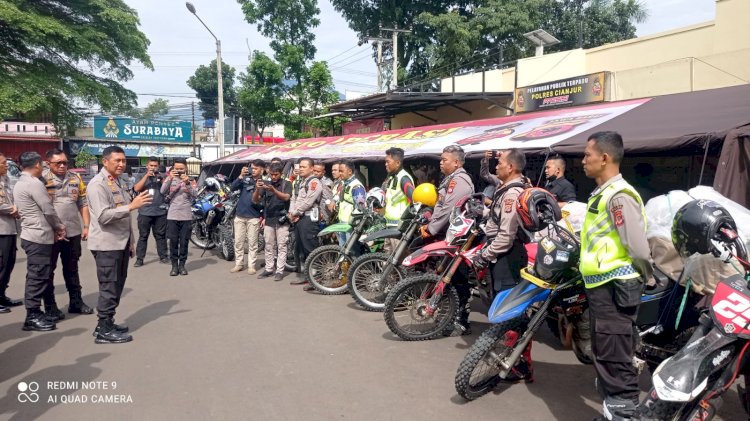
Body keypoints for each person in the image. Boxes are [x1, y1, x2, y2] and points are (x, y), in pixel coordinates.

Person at [580, 131, 653, 421]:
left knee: (614, 354)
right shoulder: (603, 192)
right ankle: (614, 412)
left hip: (615, 287)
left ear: (605, 158)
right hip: (602, 286)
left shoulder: (619, 195)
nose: (583, 160)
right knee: (605, 351)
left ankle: (625, 413)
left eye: (587, 155)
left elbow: (637, 247)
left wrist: (647, 276)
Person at [87, 145, 152, 343]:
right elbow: (104, 216)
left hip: (120, 244)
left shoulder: (119, 181)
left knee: (117, 285)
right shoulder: (98, 185)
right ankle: (103, 329)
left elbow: (124, 217)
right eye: (117, 161)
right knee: (109, 287)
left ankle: (107, 322)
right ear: (105, 161)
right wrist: (132, 206)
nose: (122, 164)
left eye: (124, 161)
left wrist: (130, 242)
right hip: (107, 245)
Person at [420, 145, 474, 335]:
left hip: (457, 238)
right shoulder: (450, 179)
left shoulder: (459, 181)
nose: (441, 163)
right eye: (441, 159)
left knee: (458, 279)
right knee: (447, 278)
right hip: (449, 235)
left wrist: (432, 228)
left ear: (457, 162)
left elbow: (448, 208)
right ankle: (447, 317)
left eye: (445, 160)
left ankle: (461, 321)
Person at [13, 151, 66, 332]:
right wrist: (59, 227)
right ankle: (32, 315)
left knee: (37, 275)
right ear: (37, 165)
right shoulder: (33, 183)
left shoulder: (21, 182)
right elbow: (48, 209)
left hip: (32, 234)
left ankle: (35, 312)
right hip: (38, 237)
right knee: (37, 277)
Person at [42, 148, 94, 318]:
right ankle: (50, 306)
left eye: (65, 162)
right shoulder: (41, 179)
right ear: (48, 163)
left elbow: (82, 201)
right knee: (48, 270)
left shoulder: (75, 177)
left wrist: (86, 225)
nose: (63, 166)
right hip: (50, 233)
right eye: (59, 163)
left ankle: (76, 302)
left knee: (72, 267)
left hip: (72, 232)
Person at [253, 162, 292, 281]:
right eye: (271, 174)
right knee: (269, 245)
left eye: (276, 174)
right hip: (269, 218)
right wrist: (257, 189)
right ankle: (269, 268)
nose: (273, 177)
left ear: (281, 173)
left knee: (282, 245)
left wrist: (273, 190)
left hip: (282, 219)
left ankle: (280, 270)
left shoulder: (287, 183)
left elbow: (286, 197)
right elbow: (255, 200)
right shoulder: (266, 183)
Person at [287, 157, 322, 286]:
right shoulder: (299, 182)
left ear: (312, 168)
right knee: (299, 249)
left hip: (308, 218)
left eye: (303, 167)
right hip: (298, 219)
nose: (300, 169)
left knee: (310, 248)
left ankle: (316, 278)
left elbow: (308, 202)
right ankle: (305, 276)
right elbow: (293, 198)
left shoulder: (314, 182)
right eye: (299, 167)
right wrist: (292, 212)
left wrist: (295, 212)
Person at [161, 158, 198, 276]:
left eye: (181, 168)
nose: (179, 171)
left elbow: (195, 194)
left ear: (186, 168)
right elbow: (162, 191)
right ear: (173, 168)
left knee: (184, 242)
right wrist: (169, 178)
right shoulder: (170, 178)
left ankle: (182, 265)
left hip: (186, 216)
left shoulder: (191, 180)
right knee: (173, 242)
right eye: (177, 168)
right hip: (172, 215)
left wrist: (187, 183)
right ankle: (174, 266)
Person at [229, 159, 264, 275]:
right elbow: (232, 188)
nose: (253, 170)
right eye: (252, 168)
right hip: (240, 214)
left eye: (256, 168)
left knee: (252, 243)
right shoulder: (245, 179)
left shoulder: (265, 182)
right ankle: (239, 264)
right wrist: (240, 175)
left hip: (254, 216)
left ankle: (251, 265)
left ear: (262, 170)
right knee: (238, 242)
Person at [133, 157, 169, 267]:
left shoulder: (163, 176)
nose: (153, 168)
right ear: (147, 166)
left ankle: (163, 256)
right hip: (145, 211)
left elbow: (167, 189)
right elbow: (137, 189)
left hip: (160, 211)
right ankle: (140, 259)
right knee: (143, 236)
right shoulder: (141, 176)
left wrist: (161, 178)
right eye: (151, 166)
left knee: (161, 235)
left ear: (158, 166)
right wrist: (146, 176)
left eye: (155, 166)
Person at [0, 153, 21, 314]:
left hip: (10, 228)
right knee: (2, 264)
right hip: (2, 229)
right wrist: (14, 209)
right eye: (3, 164)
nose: (6, 166)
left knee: (9, 263)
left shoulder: (5, 180)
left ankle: (2, 295)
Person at [336, 161, 366, 246]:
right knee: (343, 248)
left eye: (342, 171)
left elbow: (360, 207)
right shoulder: (345, 183)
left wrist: (353, 222)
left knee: (351, 250)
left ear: (349, 171)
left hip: (350, 224)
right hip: (343, 222)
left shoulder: (356, 186)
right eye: (339, 171)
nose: (340, 173)